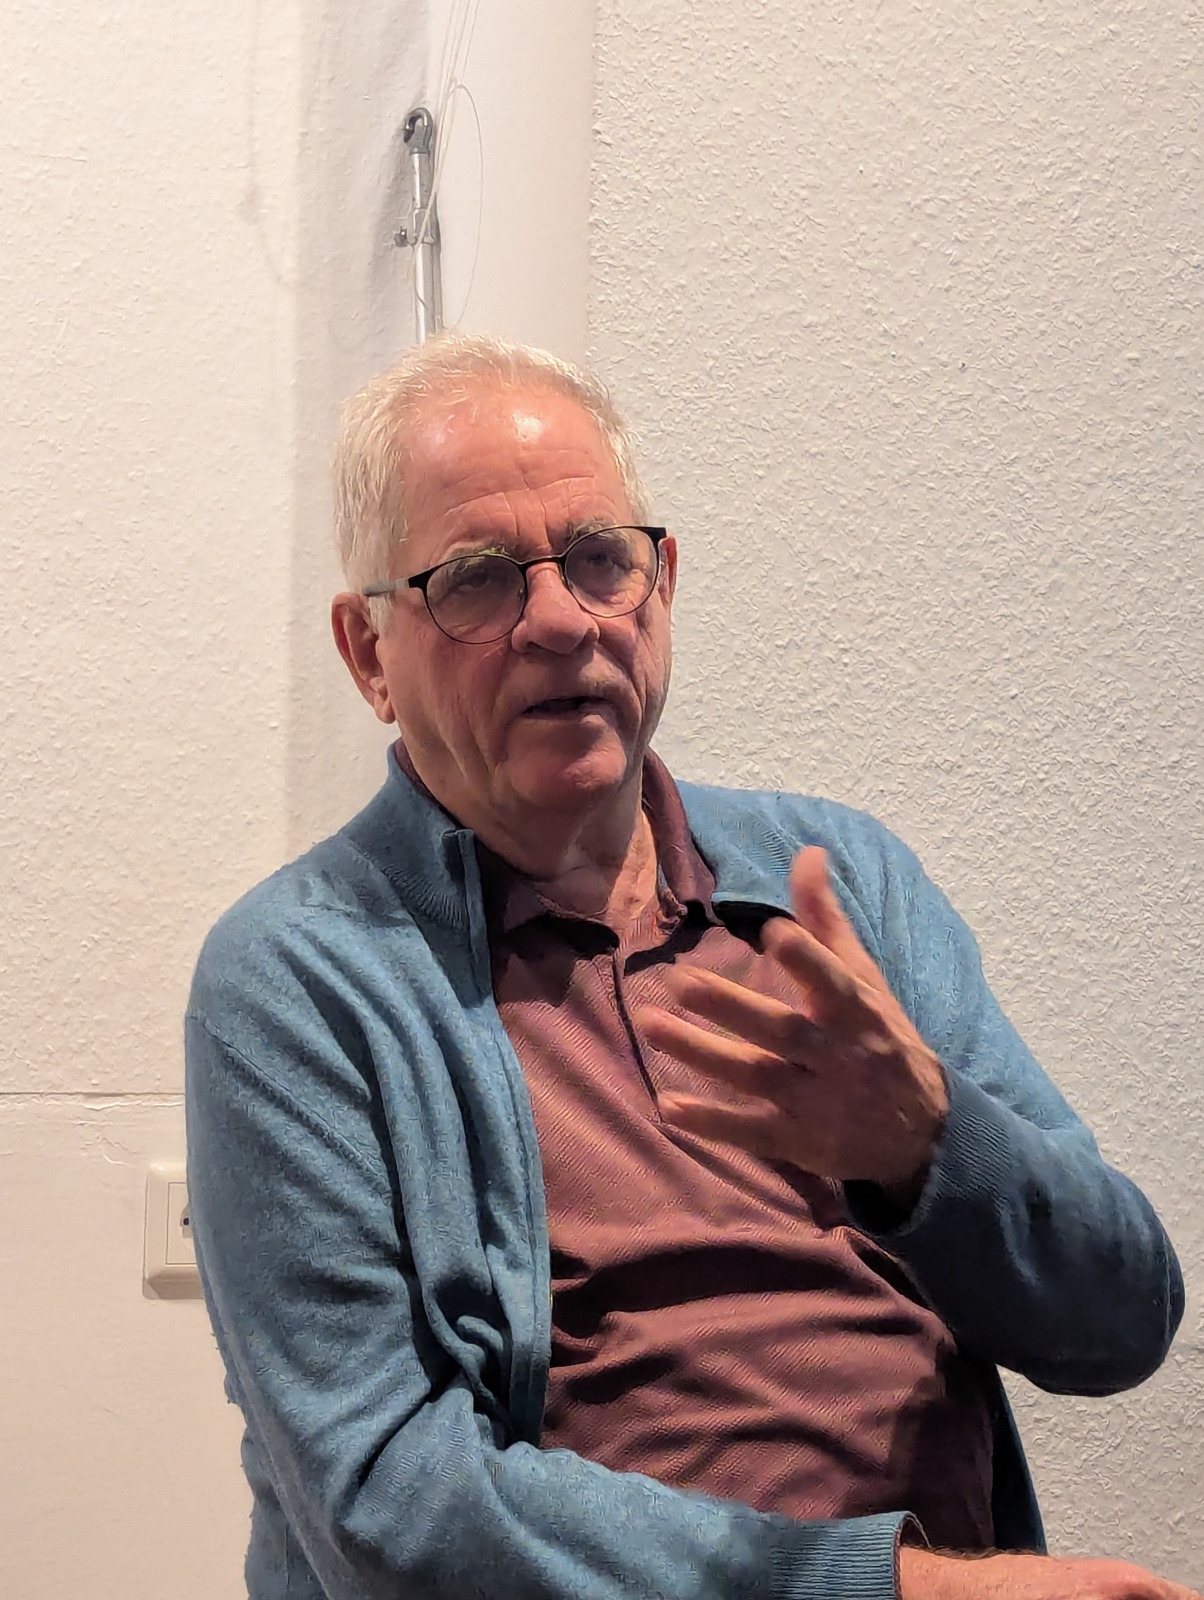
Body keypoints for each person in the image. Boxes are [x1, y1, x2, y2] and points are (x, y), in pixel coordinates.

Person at [185, 334, 1193, 1600]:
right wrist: (899, 1589)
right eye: (478, 579)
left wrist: (928, 1147)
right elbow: (386, 1505)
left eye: (599, 558)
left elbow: (1121, 1322)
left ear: (661, 586)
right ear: (369, 653)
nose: (561, 619)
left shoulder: (842, 883)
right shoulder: (299, 980)